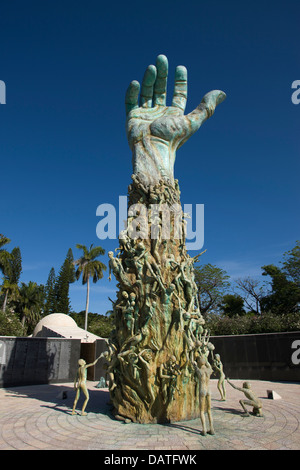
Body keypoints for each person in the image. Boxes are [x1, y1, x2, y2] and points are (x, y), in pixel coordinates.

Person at [193, 356, 215, 436]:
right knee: (209, 410)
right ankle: (212, 429)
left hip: (202, 390)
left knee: (202, 411)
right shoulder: (208, 370)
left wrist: (195, 364)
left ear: (198, 361)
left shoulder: (199, 370)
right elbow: (209, 366)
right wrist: (206, 360)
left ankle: (204, 429)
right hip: (209, 390)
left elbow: (194, 366)